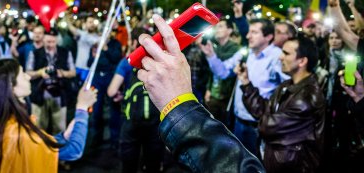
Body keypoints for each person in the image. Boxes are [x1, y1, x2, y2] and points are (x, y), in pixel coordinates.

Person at [134, 14, 264, 172]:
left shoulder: (237, 50)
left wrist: (180, 106)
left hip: (229, 105)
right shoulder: (215, 46)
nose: (249, 35)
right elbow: (215, 73)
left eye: (255, 32)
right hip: (213, 100)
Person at [0, 58, 97, 173]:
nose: (28, 77)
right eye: (22, 74)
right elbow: (73, 151)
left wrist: (63, 137)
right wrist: (82, 108)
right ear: (11, 87)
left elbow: (39, 144)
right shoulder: (17, 133)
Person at [236, 36, 326, 172]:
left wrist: (264, 119)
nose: (280, 58)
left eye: (286, 53)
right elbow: (264, 110)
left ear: (302, 61)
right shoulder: (287, 85)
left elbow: (267, 128)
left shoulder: (306, 99)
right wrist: (246, 83)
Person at [201, 18, 288, 156]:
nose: (248, 36)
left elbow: (289, 88)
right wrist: (211, 55)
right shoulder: (246, 53)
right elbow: (223, 72)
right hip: (238, 122)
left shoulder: (278, 57)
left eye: (254, 32)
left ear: (268, 37)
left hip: (260, 127)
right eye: (249, 32)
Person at [107, 27, 164, 173]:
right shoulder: (158, 61)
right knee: (153, 164)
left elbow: (111, 91)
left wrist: (122, 96)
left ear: (133, 42)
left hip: (131, 122)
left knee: (129, 165)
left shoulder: (127, 62)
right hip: (155, 122)